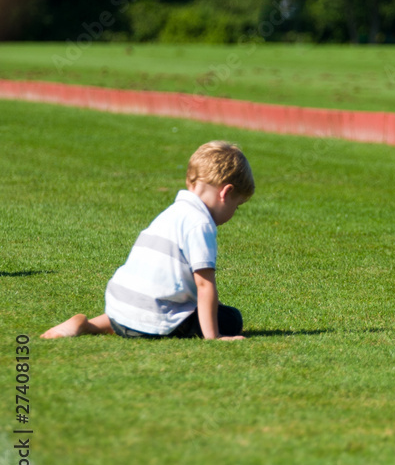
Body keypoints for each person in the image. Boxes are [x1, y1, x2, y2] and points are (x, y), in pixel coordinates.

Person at [41, 141, 254, 341]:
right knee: (231, 318)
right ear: (226, 193)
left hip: (120, 311)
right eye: (237, 206)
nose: (233, 212)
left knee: (157, 302)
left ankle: (88, 325)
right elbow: (204, 284)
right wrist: (214, 336)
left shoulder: (171, 214)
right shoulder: (200, 224)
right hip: (153, 321)